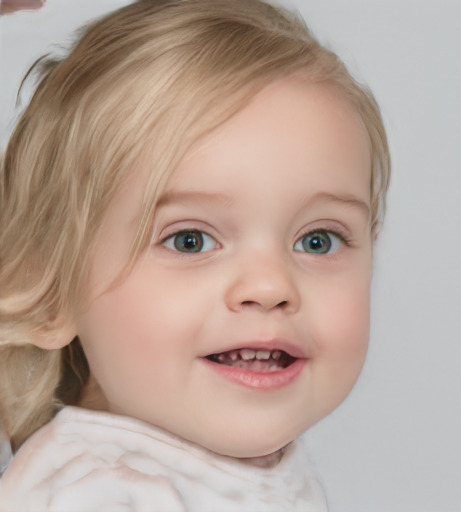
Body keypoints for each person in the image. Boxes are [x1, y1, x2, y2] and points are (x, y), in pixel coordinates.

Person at [0, 0, 390, 509]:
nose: (271, 286)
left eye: (318, 240)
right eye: (190, 240)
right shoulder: (97, 495)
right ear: (53, 290)